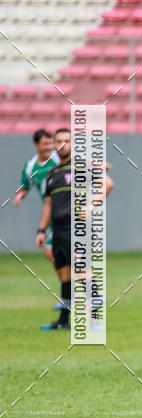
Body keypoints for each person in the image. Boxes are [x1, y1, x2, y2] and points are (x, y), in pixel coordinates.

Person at [36, 127, 114, 330]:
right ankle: (63, 322)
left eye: (66, 141)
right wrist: (42, 230)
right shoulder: (52, 173)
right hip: (58, 230)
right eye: (58, 141)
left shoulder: (80, 166)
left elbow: (107, 183)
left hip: (77, 228)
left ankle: (96, 320)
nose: (62, 144)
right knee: (64, 275)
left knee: (82, 270)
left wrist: (90, 207)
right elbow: (47, 204)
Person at [13, 128, 58, 265]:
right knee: (52, 252)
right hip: (51, 213)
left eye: (51, 143)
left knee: (58, 251)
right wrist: (19, 196)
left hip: (68, 210)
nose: (49, 147)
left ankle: (70, 281)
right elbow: (24, 187)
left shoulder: (59, 158)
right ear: (36, 145)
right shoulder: (31, 167)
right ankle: (70, 281)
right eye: (45, 144)